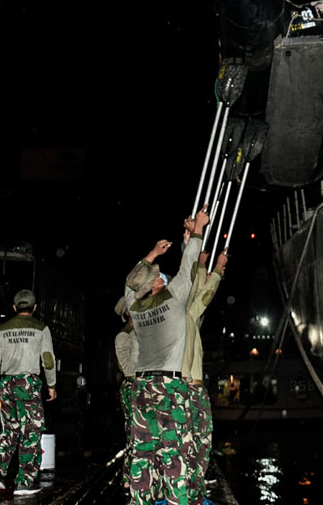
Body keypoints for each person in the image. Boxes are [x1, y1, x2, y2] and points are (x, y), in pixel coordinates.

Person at [123, 206, 208, 505]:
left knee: (143, 450)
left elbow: (130, 285)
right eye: (160, 276)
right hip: (170, 387)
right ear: (157, 286)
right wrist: (198, 229)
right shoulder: (173, 301)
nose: (163, 277)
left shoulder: (134, 308)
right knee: (175, 454)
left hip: (141, 386)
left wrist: (151, 254)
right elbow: (189, 267)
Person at [0, 289, 57, 496]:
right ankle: (25, 482)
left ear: (15, 308)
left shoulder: (1, 329)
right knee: (30, 432)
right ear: (34, 308)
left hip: (6, 384)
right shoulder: (41, 328)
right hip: (28, 383)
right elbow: (48, 360)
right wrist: (51, 384)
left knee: (10, 429)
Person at [182, 250, 227, 505]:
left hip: (189, 388)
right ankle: (192, 493)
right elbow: (203, 295)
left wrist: (201, 267)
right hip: (191, 389)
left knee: (191, 444)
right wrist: (217, 270)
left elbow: (198, 293)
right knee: (198, 444)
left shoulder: (186, 317)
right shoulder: (185, 313)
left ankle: (191, 491)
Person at [114, 302, 139, 495]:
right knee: (134, 434)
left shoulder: (141, 331)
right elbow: (125, 367)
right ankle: (128, 478)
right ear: (128, 313)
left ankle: (135, 478)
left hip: (143, 385)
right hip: (132, 386)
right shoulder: (123, 336)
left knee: (143, 435)